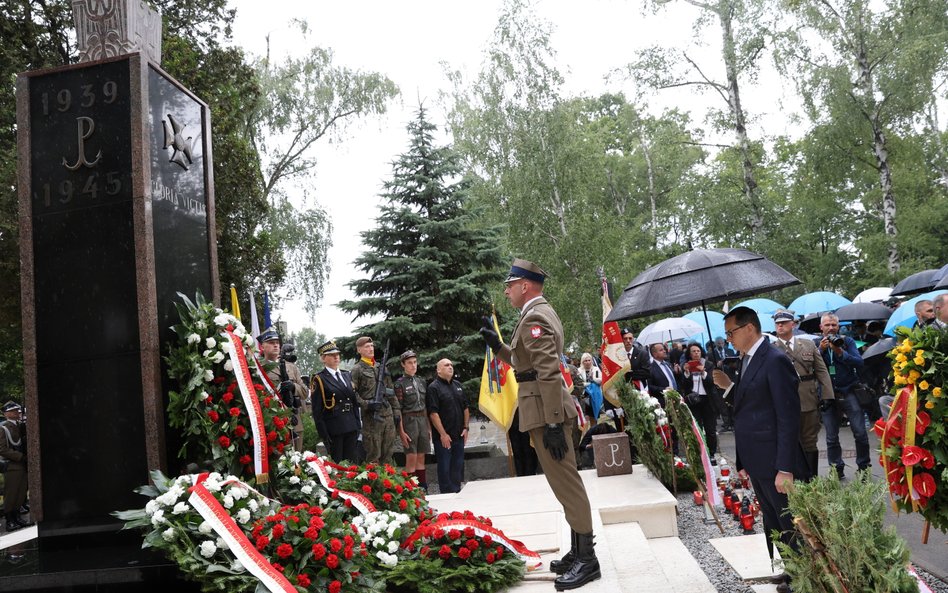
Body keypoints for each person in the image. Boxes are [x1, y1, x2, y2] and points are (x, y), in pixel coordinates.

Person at [480, 258, 600, 591]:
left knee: (567, 483)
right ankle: (579, 550)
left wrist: (552, 423)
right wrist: (498, 346)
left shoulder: (535, 317)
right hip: (544, 409)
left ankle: (588, 559)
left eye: (509, 285)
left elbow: (547, 372)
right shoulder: (534, 314)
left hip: (548, 412)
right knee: (563, 483)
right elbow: (525, 364)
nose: (506, 292)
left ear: (525, 286)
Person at [712, 307, 802, 593]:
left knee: (788, 519)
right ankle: (791, 570)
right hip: (756, 458)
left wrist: (785, 467)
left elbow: (788, 416)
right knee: (774, 519)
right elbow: (750, 405)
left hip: (775, 460)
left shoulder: (774, 359)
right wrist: (729, 388)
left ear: (749, 328)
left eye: (731, 332)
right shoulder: (746, 359)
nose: (728, 339)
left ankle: (802, 576)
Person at [772, 309, 834, 480]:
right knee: (788, 441)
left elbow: (822, 372)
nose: (780, 325)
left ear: (793, 324)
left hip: (808, 398)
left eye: (784, 322)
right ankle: (795, 478)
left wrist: (827, 395)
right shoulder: (771, 349)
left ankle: (811, 479)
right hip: (783, 403)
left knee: (809, 440)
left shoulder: (808, 345)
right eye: (777, 323)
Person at [816, 313, 870, 479]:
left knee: (860, 432)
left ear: (838, 326)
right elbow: (810, 365)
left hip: (848, 390)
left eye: (834, 325)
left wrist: (839, 352)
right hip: (827, 394)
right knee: (831, 436)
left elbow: (859, 362)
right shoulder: (816, 344)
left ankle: (864, 467)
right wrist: (821, 350)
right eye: (827, 325)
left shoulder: (847, 342)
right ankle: (836, 469)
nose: (831, 328)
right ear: (821, 328)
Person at [351, 336, 400, 464]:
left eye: (372, 346)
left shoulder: (381, 367)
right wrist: (368, 404)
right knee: (373, 455)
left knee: (388, 454)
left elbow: (390, 391)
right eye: (367, 347)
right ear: (359, 350)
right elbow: (352, 394)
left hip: (387, 416)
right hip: (371, 418)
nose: (371, 349)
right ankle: (374, 482)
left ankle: (388, 482)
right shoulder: (357, 369)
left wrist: (396, 411)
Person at [310, 340, 361, 463]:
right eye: (332, 355)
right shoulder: (319, 379)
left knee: (352, 465)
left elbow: (353, 402)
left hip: (351, 426)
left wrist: (357, 424)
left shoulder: (346, 375)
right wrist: (324, 435)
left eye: (337, 354)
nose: (336, 357)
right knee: (338, 466)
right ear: (323, 358)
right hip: (334, 429)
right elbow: (317, 411)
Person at [259, 328, 309, 451]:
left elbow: (305, 392)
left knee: (297, 460)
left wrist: (293, 387)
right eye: (271, 342)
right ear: (262, 347)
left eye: (277, 342)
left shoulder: (291, 367)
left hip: (294, 420)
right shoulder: (259, 368)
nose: (275, 345)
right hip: (273, 422)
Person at [426, 359, 468, 494]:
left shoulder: (458, 385)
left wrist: (466, 428)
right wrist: (443, 434)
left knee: (458, 465)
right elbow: (433, 413)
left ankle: (457, 492)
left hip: (459, 435)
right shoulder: (433, 388)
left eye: (451, 365)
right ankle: (447, 495)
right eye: (446, 365)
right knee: (445, 467)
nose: (450, 367)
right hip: (444, 437)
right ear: (439, 370)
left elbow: (465, 408)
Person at [394, 350, 431, 491]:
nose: (413, 365)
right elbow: (398, 410)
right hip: (409, 421)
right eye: (409, 363)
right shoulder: (399, 384)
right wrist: (401, 431)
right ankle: (411, 490)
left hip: (422, 420)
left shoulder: (421, 381)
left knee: (421, 456)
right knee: (411, 457)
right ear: (403, 365)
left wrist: (428, 428)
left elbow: (425, 406)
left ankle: (423, 487)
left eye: (415, 362)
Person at [681, 342, 719, 459]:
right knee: (697, 428)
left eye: (698, 351)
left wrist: (703, 372)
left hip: (707, 400)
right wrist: (686, 373)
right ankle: (699, 453)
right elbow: (684, 385)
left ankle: (712, 453)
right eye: (693, 351)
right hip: (694, 401)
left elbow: (711, 382)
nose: (696, 353)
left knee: (710, 429)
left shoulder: (708, 364)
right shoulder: (686, 365)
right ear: (689, 353)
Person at [1, 401, 32, 532]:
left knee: (20, 493)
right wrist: (20, 457)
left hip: (22, 465)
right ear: (6, 413)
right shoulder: (3, 428)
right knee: (12, 493)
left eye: (18, 411)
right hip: (12, 465)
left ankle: (17, 517)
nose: (17, 413)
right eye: (14, 411)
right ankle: (10, 520)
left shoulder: (20, 426)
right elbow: (2, 449)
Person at [647, 342, 680, 408]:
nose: (664, 351)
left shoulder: (668, 364)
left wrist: (677, 372)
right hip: (664, 402)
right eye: (661, 350)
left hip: (677, 398)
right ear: (654, 354)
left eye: (664, 349)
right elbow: (649, 386)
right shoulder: (650, 368)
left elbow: (672, 379)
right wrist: (664, 389)